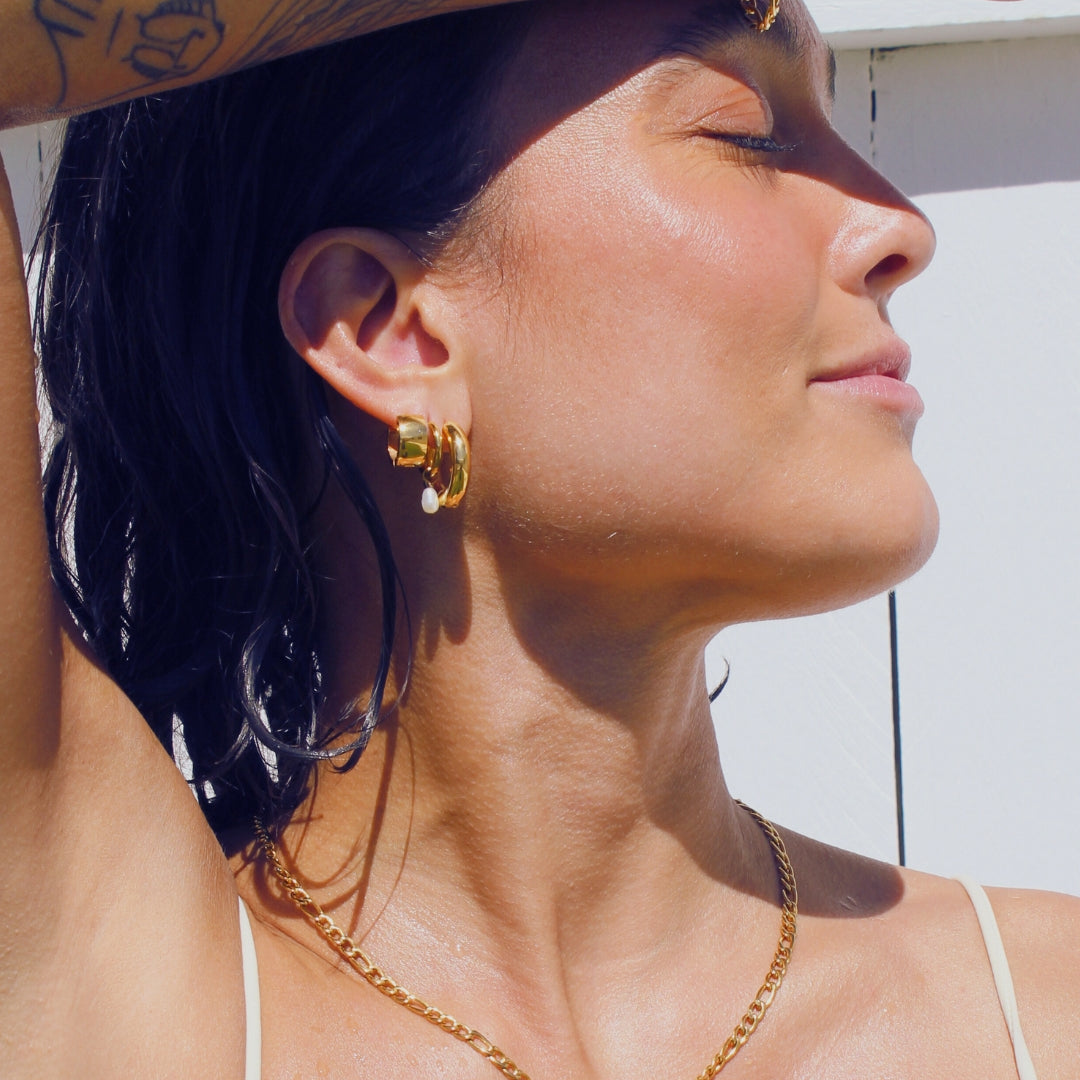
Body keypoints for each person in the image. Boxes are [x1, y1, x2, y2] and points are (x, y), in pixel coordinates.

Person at [2, 1, 1078, 1077]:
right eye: (745, 129)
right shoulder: (108, 984)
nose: (899, 226)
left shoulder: (1047, 1006)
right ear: (392, 329)